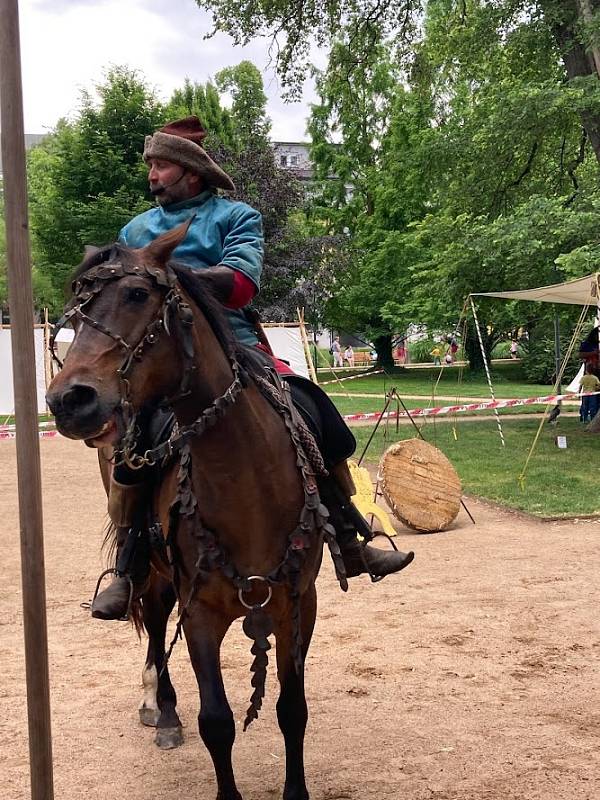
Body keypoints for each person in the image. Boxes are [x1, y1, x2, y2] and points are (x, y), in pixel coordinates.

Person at [92, 116, 413, 620]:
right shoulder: (134, 231)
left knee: (311, 409)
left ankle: (350, 537)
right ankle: (129, 566)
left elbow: (242, 284)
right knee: (130, 448)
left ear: (190, 172)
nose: (152, 175)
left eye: (161, 165)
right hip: (160, 355)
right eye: (151, 165)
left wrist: (169, 277)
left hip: (232, 343)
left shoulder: (236, 216)